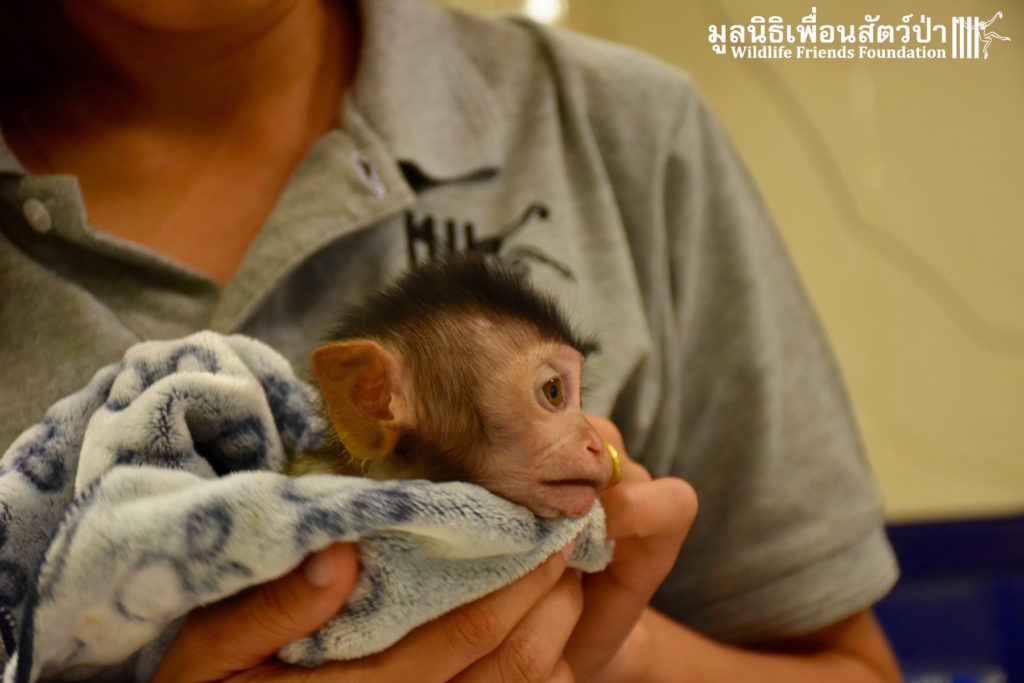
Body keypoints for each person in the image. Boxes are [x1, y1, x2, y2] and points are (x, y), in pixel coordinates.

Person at [0, 0, 902, 680]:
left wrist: (615, 647)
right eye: (551, 393)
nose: (590, 437)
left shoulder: (624, 131)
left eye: (571, 391)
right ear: (373, 401)